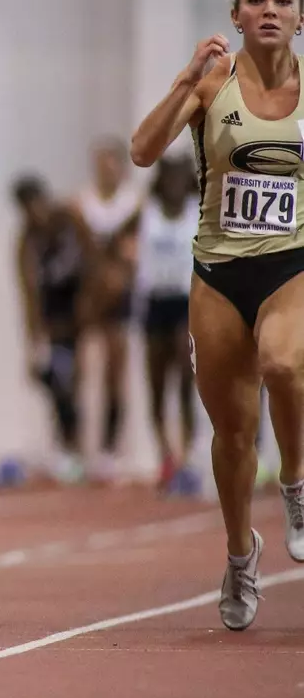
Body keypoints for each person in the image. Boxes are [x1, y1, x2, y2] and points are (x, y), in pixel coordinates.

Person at [130, 0, 304, 630]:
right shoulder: (212, 83)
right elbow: (145, 152)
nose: (268, 9)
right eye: (255, 0)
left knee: (286, 365)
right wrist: (184, 77)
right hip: (218, 274)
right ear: (236, 16)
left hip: (291, 264)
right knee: (231, 435)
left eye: (281, 0)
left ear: (298, 17)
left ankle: (294, 481)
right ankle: (240, 554)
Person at [129, 155, 199, 494]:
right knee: (156, 385)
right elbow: (114, 239)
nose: (173, 185)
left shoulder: (198, 209)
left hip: (186, 300)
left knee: (186, 376)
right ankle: (166, 455)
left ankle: (186, 457)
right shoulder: (147, 211)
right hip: (154, 300)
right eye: (168, 178)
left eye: (179, 178)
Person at [13, 175, 89, 484]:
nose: (34, 215)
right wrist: (33, 339)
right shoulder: (26, 241)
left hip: (80, 314)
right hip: (53, 322)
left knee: (72, 381)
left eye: (36, 206)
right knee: (58, 382)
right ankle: (68, 447)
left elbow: (91, 264)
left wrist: (91, 313)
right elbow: (27, 292)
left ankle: (77, 447)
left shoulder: (71, 222)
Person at [76, 138, 142, 482]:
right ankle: (78, 445)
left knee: (115, 371)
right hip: (89, 294)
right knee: (82, 369)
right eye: (100, 162)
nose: (106, 169)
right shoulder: (82, 203)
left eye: (111, 162)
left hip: (119, 297)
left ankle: (111, 446)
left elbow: (131, 254)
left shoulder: (133, 203)